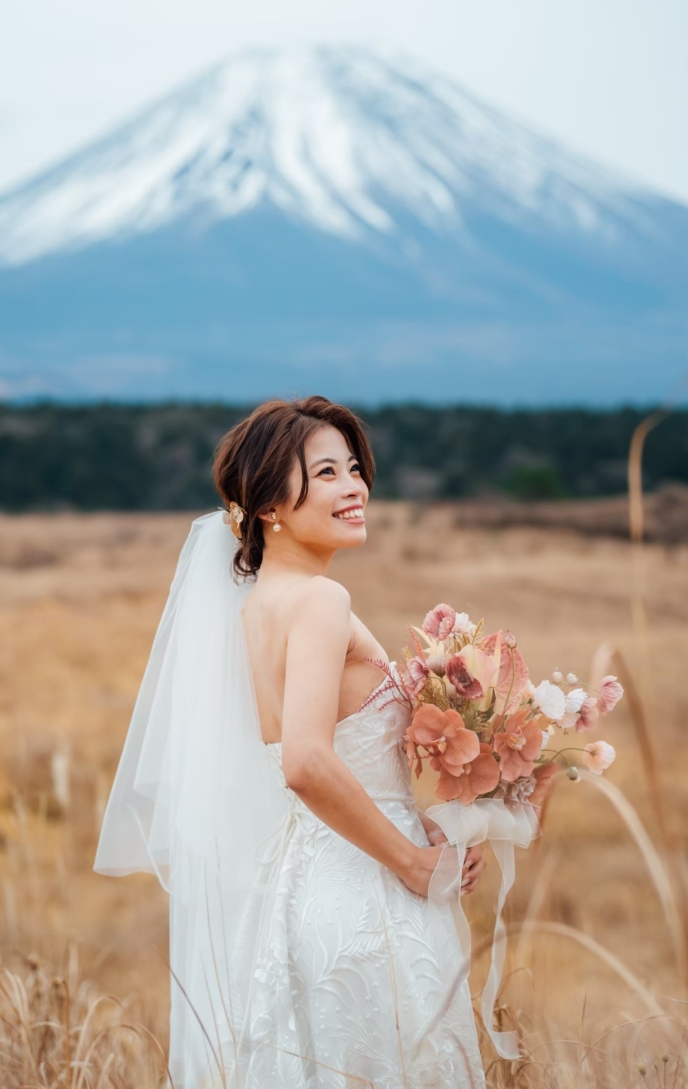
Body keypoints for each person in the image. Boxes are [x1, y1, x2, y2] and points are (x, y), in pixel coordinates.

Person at [95, 396, 486, 1088]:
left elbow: (308, 756)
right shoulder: (319, 601)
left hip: (305, 886)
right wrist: (413, 863)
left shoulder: (257, 606)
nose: (356, 487)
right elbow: (304, 763)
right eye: (328, 472)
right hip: (363, 894)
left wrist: (413, 814)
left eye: (355, 468)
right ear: (271, 505)